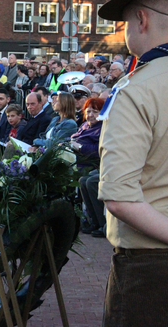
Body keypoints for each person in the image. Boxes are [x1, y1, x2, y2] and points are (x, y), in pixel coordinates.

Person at [96, 0, 168, 326]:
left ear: (142, 20)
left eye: (123, 23)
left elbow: (119, 196)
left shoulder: (136, 89)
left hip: (152, 271)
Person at [71, 97, 105, 237]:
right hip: (76, 162)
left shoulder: (102, 127)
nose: (90, 115)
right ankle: (91, 221)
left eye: (95, 111)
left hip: (91, 164)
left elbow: (99, 150)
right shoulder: (85, 125)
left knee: (88, 181)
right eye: (88, 111)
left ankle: (100, 223)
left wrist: (80, 147)